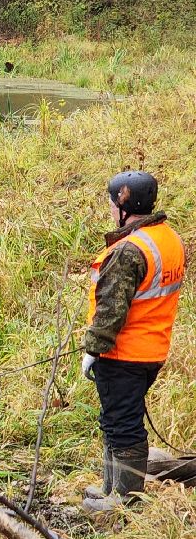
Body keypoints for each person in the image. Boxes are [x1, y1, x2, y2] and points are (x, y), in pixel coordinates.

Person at [81, 170, 185, 513]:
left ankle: (123, 500)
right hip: (151, 350)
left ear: (124, 206)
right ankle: (111, 487)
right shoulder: (167, 238)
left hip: (122, 352)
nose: (110, 208)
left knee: (123, 425)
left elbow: (112, 310)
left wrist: (93, 348)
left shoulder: (129, 251)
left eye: (112, 202)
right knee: (116, 418)